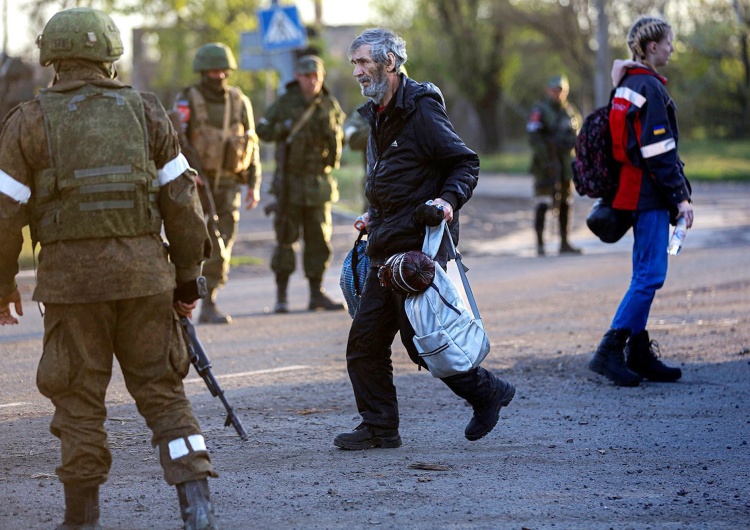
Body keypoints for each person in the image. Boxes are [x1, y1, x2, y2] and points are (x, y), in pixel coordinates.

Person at [0, 8, 219, 529]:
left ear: (52, 56)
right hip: (146, 280)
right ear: (109, 55)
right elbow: (183, 204)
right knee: (164, 394)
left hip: (72, 287)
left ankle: (82, 519)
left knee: (77, 401)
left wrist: (3, 282)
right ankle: (198, 508)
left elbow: (5, 216)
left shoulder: (27, 120)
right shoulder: (146, 111)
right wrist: (188, 279)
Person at [334, 28, 515, 450]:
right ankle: (380, 428)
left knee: (425, 345)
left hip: (417, 253)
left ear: (390, 62)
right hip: (384, 245)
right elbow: (393, 179)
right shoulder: (377, 112)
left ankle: (489, 393)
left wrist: (448, 201)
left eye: (364, 62)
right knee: (365, 345)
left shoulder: (420, 110)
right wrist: (373, 214)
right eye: (355, 64)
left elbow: (464, 163)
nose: (357, 72)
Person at [587, 15, 693, 387]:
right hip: (647, 195)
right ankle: (610, 350)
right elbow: (660, 152)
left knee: (642, 274)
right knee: (651, 274)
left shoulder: (626, 85)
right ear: (651, 47)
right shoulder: (648, 86)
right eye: (668, 42)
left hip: (630, 192)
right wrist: (681, 199)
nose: (672, 48)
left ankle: (638, 350)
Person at [173, 42, 262, 324]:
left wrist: (253, 184)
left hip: (228, 185)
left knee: (224, 240)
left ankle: (209, 299)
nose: (219, 75)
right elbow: (174, 140)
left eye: (223, 69)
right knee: (197, 242)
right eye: (213, 70)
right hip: (197, 185)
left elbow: (251, 143)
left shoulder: (239, 101)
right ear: (203, 71)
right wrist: (187, 172)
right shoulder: (188, 99)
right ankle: (188, 300)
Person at [256, 55, 346, 313]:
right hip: (290, 185)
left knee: (319, 241)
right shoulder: (285, 103)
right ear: (298, 77)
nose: (312, 81)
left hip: (319, 185)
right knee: (285, 239)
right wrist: (282, 128)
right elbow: (263, 130)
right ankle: (281, 296)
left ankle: (316, 294)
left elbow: (340, 137)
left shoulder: (329, 104)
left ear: (322, 76)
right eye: (306, 76)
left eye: (316, 76)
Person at [527, 74, 582, 256]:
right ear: (548, 91)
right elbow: (534, 138)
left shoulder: (570, 111)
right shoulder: (540, 111)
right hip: (545, 166)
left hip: (565, 165)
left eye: (561, 90)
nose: (557, 94)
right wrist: (547, 159)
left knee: (566, 202)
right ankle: (540, 245)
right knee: (543, 202)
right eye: (554, 90)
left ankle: (564, 242)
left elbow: (577, 136)